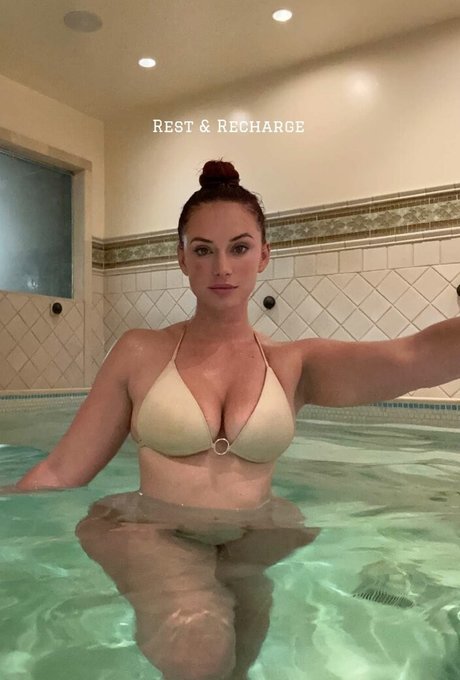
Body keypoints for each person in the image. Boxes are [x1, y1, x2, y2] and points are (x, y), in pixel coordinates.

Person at [12, 159, 460, 680]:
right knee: (200, 654)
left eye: (239, 248)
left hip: (256, 535)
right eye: (203, 250)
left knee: (237, 666)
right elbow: (61, 470)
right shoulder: (140, 352)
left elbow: (413, 356)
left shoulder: (293, 365)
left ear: (264, 254)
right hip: (156, 531)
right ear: (181, 258)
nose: (221, 267)